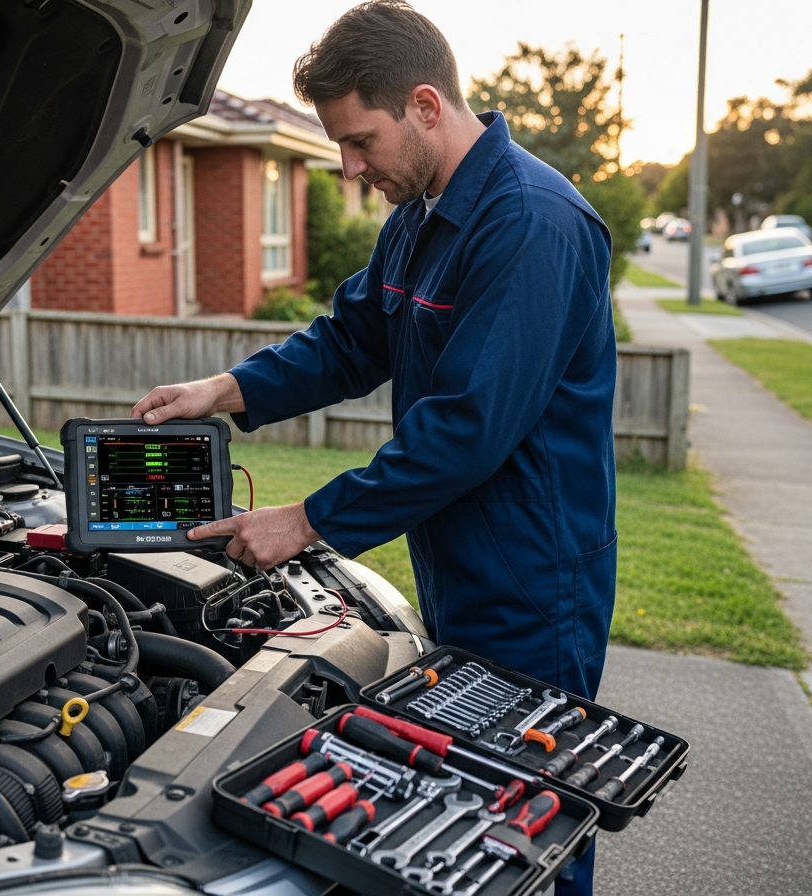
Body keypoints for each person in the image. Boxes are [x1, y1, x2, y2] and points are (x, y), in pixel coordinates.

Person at [132, 3, 615, 891]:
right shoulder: (422, 216)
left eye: (360, 142)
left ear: (426, 105)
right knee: (461, 816)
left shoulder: (533, 224)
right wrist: (225, 392)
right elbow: (348, 339)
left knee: (526, 834)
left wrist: (308, 521)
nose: (351, 170)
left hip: (533, 581)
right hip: (457, 558)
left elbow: (466, 431)